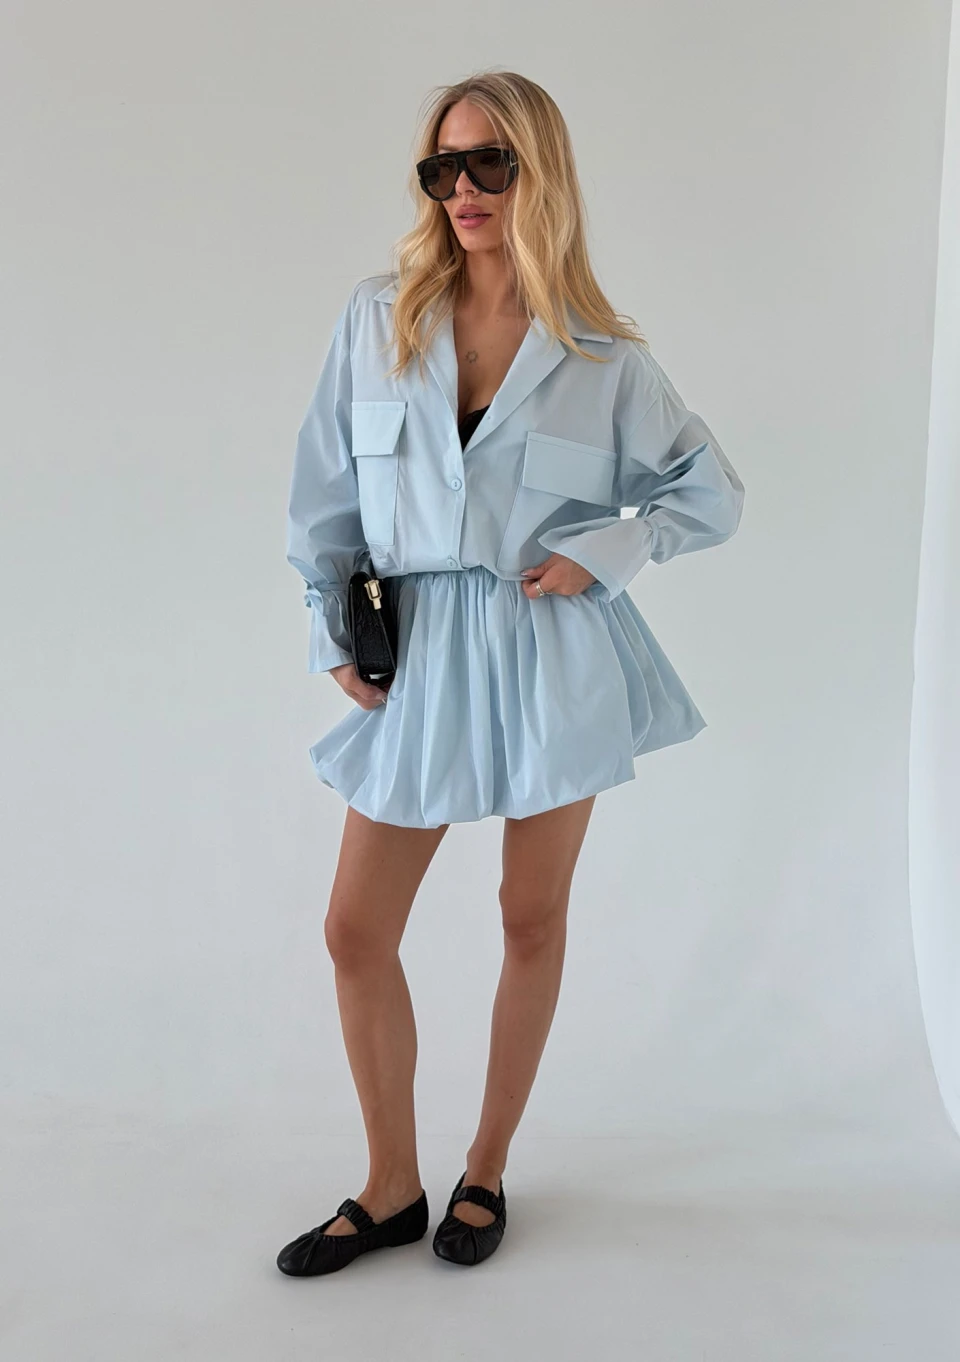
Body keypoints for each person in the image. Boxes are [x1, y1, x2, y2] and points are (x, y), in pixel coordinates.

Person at [277, 70, 745, 1275]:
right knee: (354, 930)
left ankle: (484, 1170)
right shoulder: (378, 318)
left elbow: (709, 492)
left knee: (529, 916)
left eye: (490, 163)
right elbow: (324, 495)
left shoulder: (603, 355)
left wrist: (608, 553)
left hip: (549, 644)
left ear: (539, 173)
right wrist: (334, 629)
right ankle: (390, 1186)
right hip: (418, 646)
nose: (465, 189)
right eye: (444, 168)